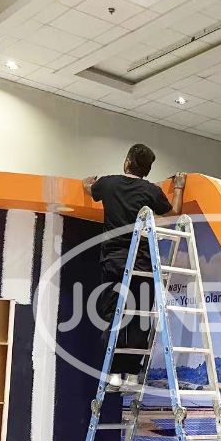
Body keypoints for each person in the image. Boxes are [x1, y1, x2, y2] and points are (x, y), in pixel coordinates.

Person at [83, 144, 185, 389]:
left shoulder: (108, 184)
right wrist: (178, 187)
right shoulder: (151, 191)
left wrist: (88, 182)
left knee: (114, 315)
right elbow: (174, 213)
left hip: (115, 260)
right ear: (147, 170)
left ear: (127, 162)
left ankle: (113, 374)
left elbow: (88, 187)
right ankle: (131, 374)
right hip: (142, 262)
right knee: (140, 317)